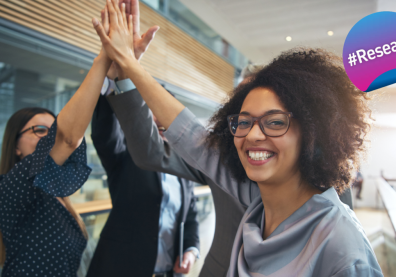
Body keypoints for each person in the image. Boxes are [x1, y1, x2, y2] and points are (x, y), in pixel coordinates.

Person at [92, 1, 383, 276]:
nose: (254, 135)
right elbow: (189, 132)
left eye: (275, 122)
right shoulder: (257, 204)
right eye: (243, 121)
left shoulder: (343, 250)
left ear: (313, 132)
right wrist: (127, 67)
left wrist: (131, 65)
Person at [87, 2, 199, 277]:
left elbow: (191, 218)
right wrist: (116, 77)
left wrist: (191, 250)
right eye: (150, 110)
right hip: (120, 268)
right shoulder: (127, 154)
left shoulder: (185, 163)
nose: (158, 119)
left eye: (163, 111)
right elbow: (104, 134)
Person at [0, 20, 112, 276]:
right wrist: (105, 57)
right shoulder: (9, 188)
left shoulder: (58, 195)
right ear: (15, 145)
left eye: (53, 131)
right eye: (40, 131)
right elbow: (67, 139)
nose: (49, 137)